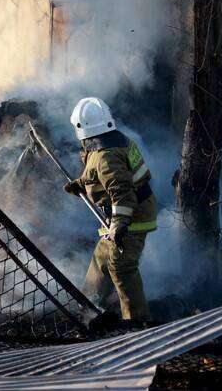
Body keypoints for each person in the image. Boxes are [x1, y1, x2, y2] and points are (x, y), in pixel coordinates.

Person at [63, 97, 157, 322]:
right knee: (102, 258)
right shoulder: (113, 141)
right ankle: (89, 307)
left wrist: (120, 223)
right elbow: (99, 174)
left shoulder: (106, 155)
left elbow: (121, 191)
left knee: (121, 265)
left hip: (132, 217)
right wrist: (81, 183)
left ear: (81, 128)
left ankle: (137, 321)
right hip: (125, 213)